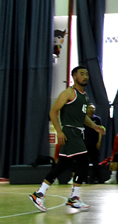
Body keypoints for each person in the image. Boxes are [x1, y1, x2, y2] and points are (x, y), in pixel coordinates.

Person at [29, 66, 105, 212]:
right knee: (83, 163)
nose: (85, 76)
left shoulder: (84, 96)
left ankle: (39, 194)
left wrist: (95, 126)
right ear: (74, 77)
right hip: (70, 132)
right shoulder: (69, 93)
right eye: (82, 74)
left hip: (77, 132)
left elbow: (82, 117)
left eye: (87, 74)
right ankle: (74, 198)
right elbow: (53, 111)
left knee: (62, 166)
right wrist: (59, 131)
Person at [84, 104, 103, 181]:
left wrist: (99, 141)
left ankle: (96, 178)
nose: (91, 109)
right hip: (85, 143)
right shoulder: (83, 119)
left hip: (94, 143)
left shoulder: (97, 119)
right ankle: (84, 178)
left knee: (95, 161)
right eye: (90, 108)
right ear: (86, 109)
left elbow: (100, 131)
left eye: (93, 108)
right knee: (84, 161)